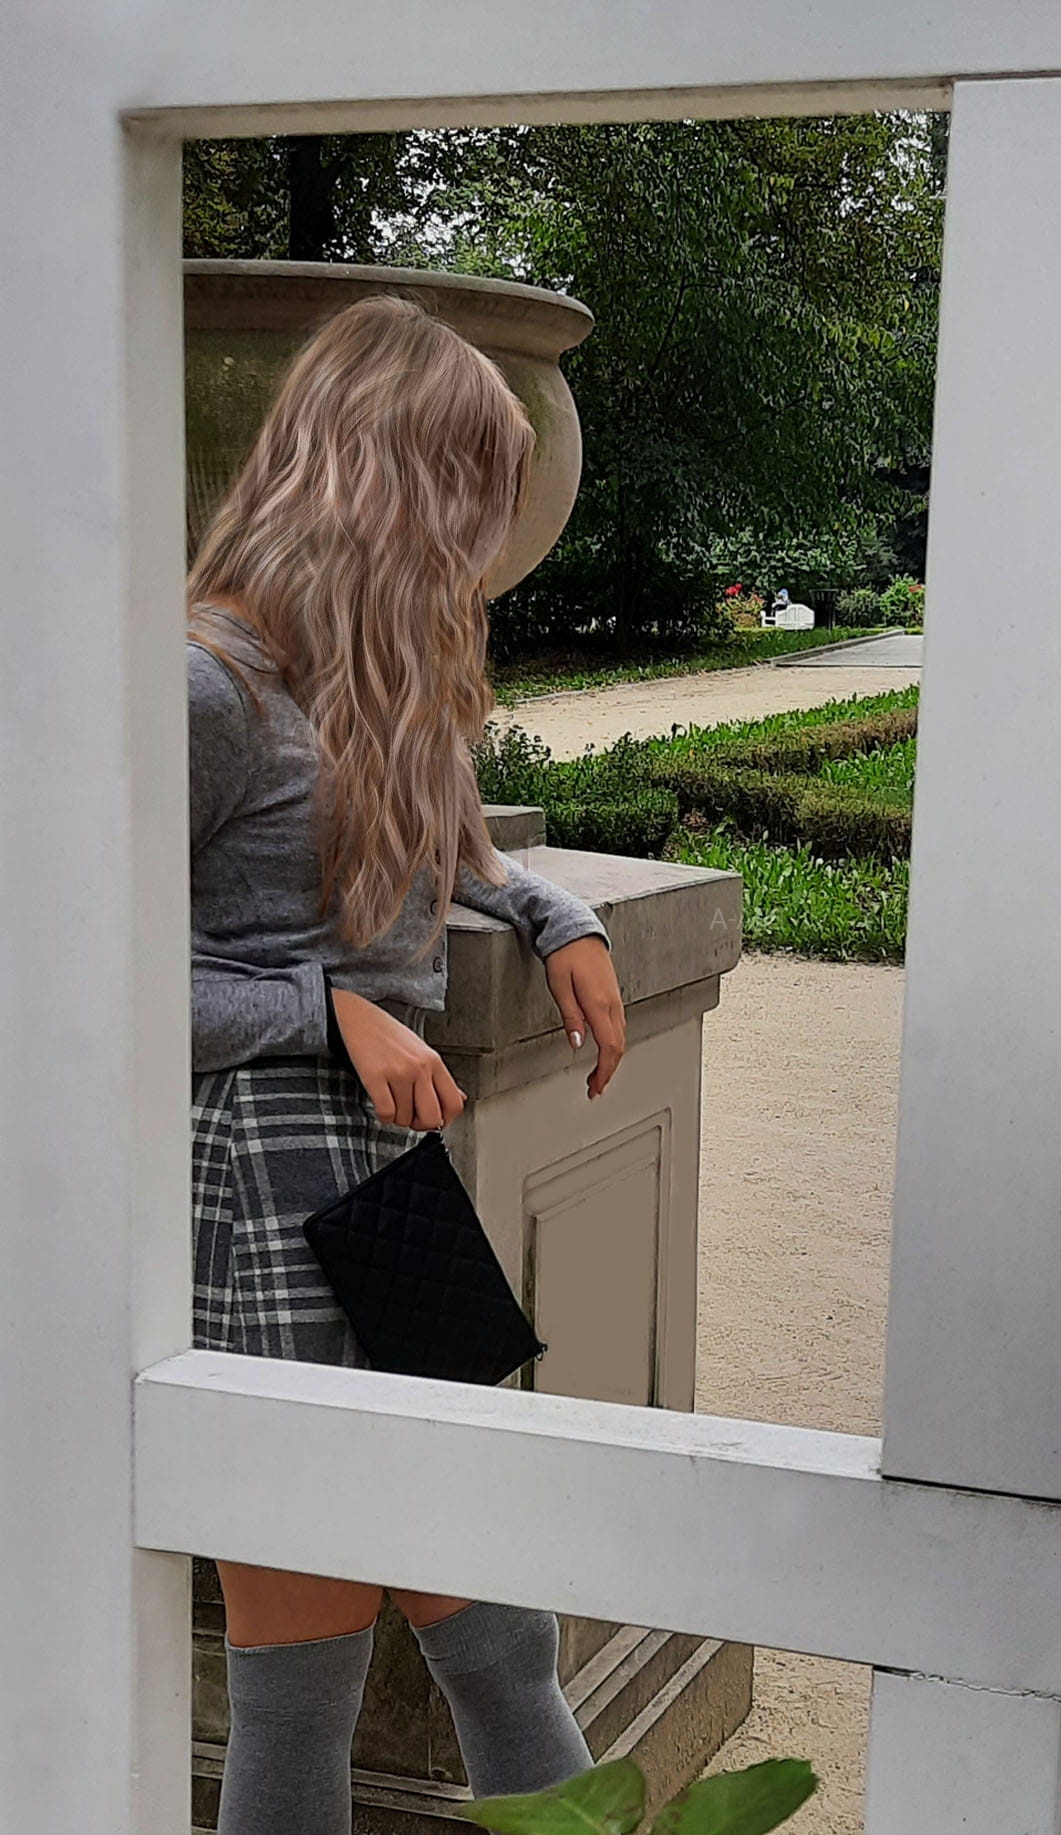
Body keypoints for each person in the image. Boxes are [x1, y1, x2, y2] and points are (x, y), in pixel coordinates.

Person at [187, 293, 627, 1835]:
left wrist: (556, 916)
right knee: (301, 1675)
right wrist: (325, 1011)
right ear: (379, 483)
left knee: (502, 1631)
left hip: (387, 1176)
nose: (482, 545)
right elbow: (70, 982)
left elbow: (457, 856)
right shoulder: (206, 686)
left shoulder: (370, 673)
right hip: (257, 1174)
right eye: (469, 500)